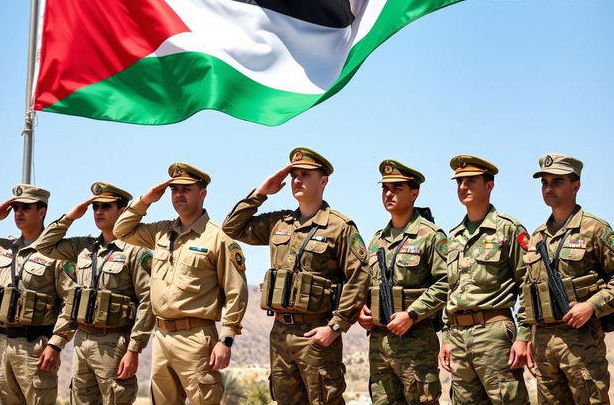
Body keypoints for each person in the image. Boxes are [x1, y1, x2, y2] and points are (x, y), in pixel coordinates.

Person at [222, 147, 370, 405]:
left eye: (305, 175)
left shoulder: (340, 227)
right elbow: (232, 227)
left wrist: (335, 327)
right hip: (280, 332)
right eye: (293, 175)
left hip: (317, 332)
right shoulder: (280, 223)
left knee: (325, 400)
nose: (296, 181)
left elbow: (359, 277)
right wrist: (261, 193)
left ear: (323, 181)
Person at [113, 162, 248, 405]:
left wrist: (226, 340)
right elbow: (121, 230)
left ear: (202, 193)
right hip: (162, 337)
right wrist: (146, 200)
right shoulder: (161, 232)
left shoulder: (218, 236)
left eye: (186, 189)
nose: (178, 195)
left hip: (196, 338)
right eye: (174, 189)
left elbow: (236, 291)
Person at [32, 181, 154, 405]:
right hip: (81, 340)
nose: (98, 212)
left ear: (123, 211)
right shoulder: (83, 247)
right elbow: (44, 245)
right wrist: (71, 217)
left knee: (116, 398)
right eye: (95, 207)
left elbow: (148, 301)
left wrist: (134, 349)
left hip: (114, 341)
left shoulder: (136, 251)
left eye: (105, 207)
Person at [438, 154, 531, 405]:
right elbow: (452, 291)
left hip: (493, 333)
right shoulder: (454, 235)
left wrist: (524, 336)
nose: (463, 187)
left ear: (489, 186)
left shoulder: (509, 229)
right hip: (458, 336)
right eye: (459, 182)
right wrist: (446, 338)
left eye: (471, 181)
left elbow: (529, 284)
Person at [522, 153, 614, 404]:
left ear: (576, 186)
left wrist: (591, 306)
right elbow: (528, 291)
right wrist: (525, 337)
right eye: (544, 183)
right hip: (543, 345)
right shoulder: (537, 236)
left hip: (581, 344)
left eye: (557, 181)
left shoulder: (595, 229)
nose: (548, 188)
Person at [0, 184, 74, 404]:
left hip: (36, 347)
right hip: (2, 345)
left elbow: (70, 303)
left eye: (25, 208)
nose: (18, 213)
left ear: (42, 212)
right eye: (16, 207)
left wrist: (55, 344)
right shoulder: (3, 247)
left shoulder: (56, 253)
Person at [357, 159, 447, 405]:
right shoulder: (376, 240)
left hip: (416, 341)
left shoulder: (431, 235)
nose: (389, 193)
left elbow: (447, 282)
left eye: (397, 188)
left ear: (414, 193)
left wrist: (412, 314)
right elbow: (365, 284)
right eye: (385, 188)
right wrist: (361, 311)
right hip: (379, 343)